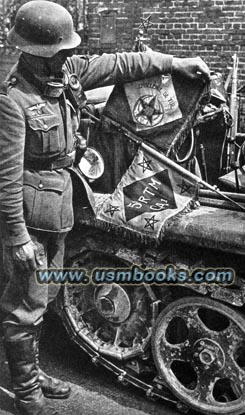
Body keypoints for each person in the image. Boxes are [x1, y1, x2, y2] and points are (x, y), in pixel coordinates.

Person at [0, 1, 210, 414]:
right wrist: (16, 236)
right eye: (61, 51)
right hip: (31, 218)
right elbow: (5, 179)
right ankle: (25, 393)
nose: (69, 57)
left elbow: (119, 63)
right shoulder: (13, 101)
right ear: (36, 54)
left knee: (47, 294)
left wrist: (175, 61)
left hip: (59, 209)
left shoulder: (68, 76)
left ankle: (35, 371)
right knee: (25, 305)